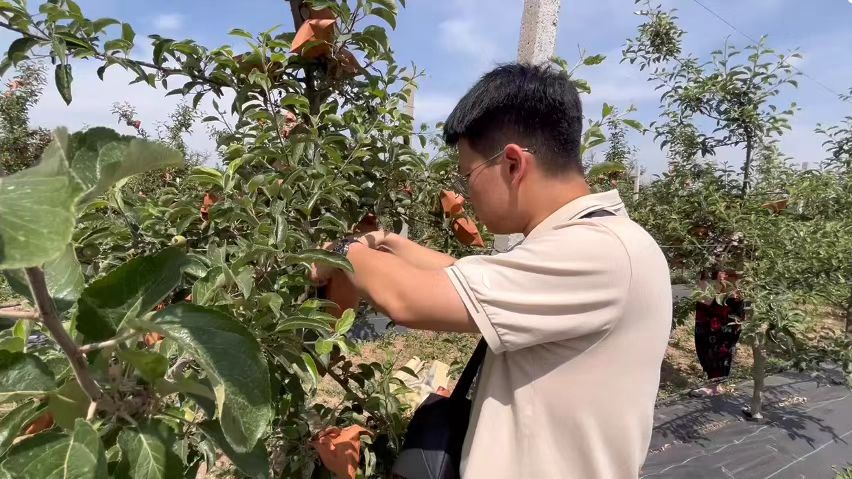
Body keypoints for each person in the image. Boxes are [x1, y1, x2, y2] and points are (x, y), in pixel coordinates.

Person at [310, 63, 672, 478]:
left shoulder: (599, 252)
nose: (466, 194)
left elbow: (410, 300)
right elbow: (465, 273)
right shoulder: (596, 242)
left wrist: (340, 252)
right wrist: (388, 241)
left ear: (513, 164)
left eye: (468, 175)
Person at [691, 270, 746, 397]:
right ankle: (714, 383)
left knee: (722, 344)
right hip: (710, 299)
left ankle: (714, 385)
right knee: (704, 341)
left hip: (728, 301)